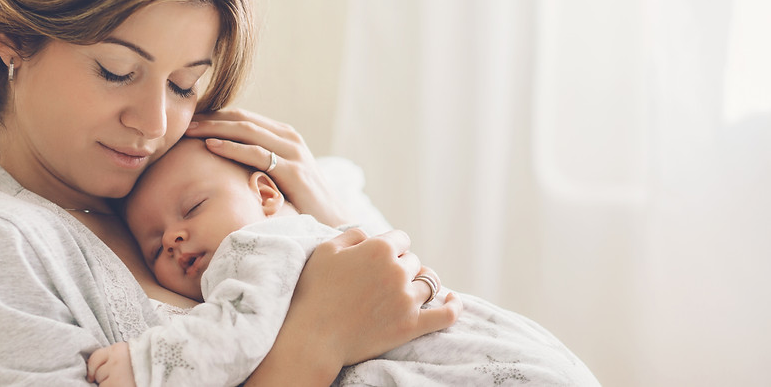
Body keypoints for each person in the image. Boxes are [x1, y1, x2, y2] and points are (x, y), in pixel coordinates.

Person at [0, 0, 462, 385]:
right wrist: (317, 338)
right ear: (11, 39)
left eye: (184, 86)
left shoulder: (200, 189)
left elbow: (424, 325)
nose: (154, 124)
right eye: (117, 72)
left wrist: (325, 218)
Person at [86, 138, 600, 386]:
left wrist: (145, 363)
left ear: (267, 196)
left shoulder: (259, 246)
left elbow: (233, 332)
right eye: (154, 246)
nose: (174, 238)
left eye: (193, 209)